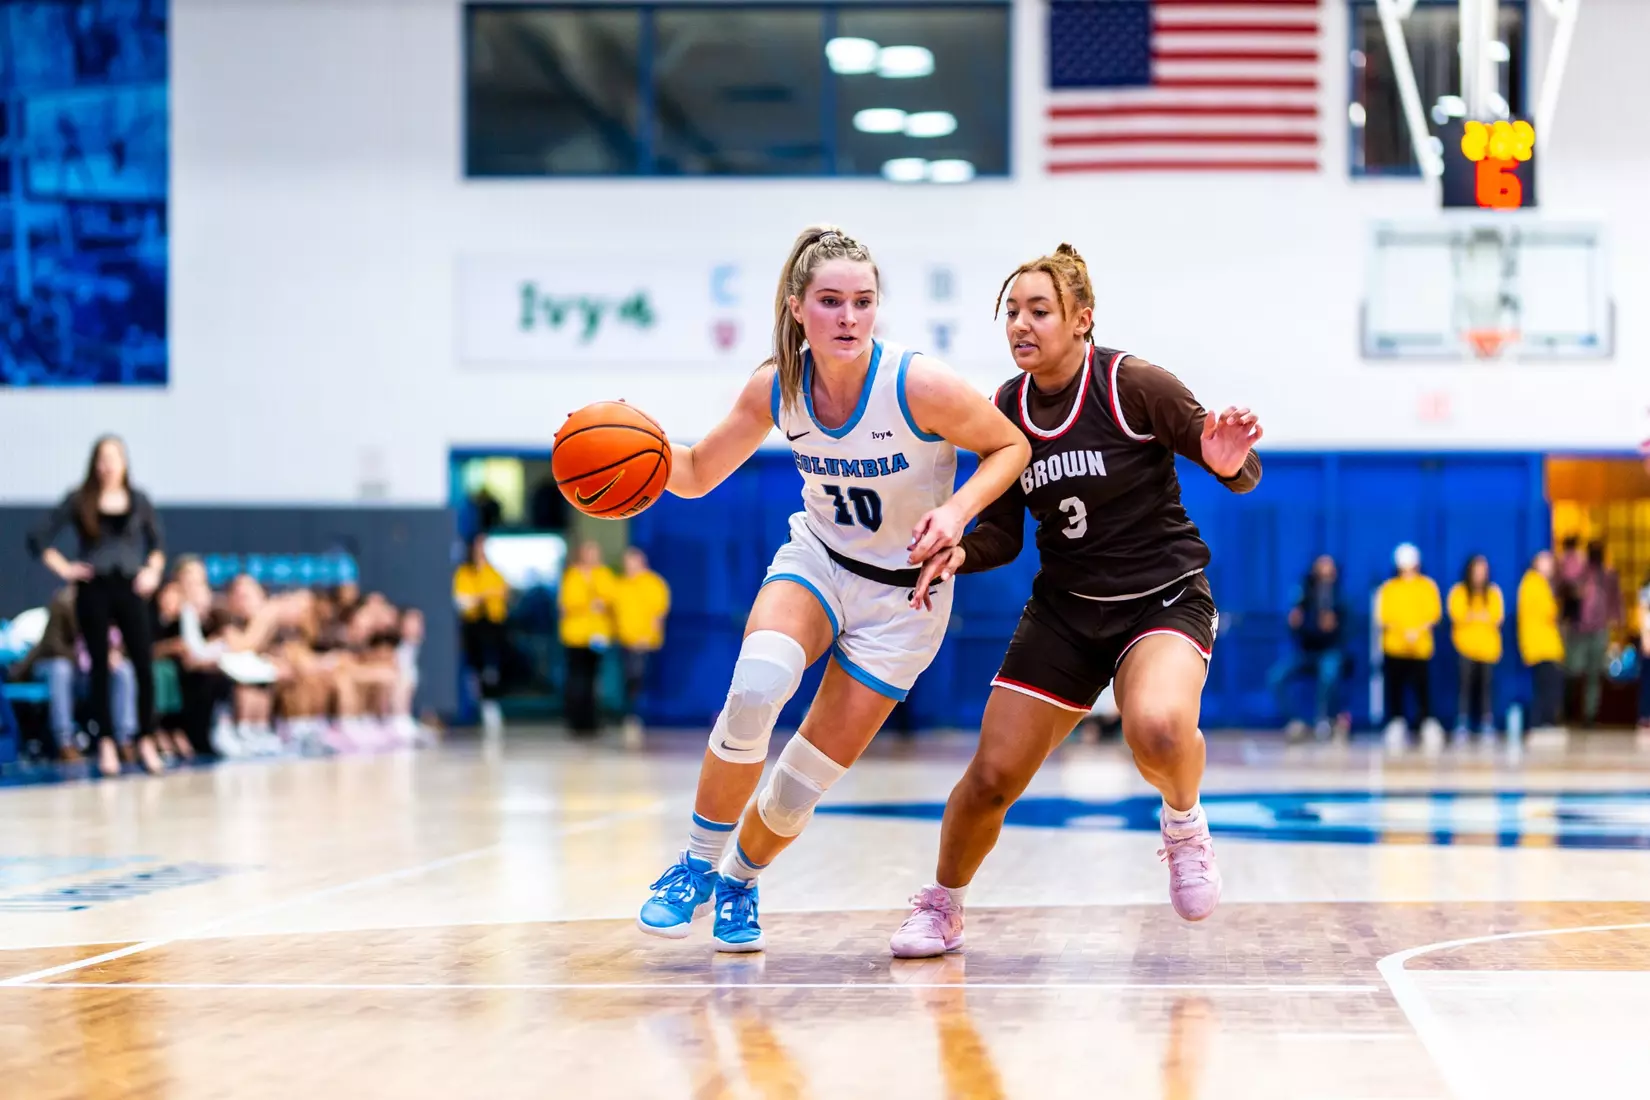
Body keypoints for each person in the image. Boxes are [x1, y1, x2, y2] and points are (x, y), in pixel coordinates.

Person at [635, 225, 1029, 952]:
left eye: (862, 301)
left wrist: (957, 510)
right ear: (796, 308)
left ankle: (739, 882)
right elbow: (693, 474)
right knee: (757, 685)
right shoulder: (777, 386)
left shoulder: (917, 383)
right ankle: (692, 864)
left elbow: (1012, 445)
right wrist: (639, 457)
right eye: (830, 301)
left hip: (903, 601)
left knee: (798, 781)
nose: (848, 317)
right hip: (819, 560)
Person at [885, 243, 1263, 958]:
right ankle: (942, 905)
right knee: (992, 776)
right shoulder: (1004, 408)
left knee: (1155, 727)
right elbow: (1000, 531)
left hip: (1162, 599)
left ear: (1081, 320)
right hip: (1066, 608)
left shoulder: (1133, 384)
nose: (1021, 325)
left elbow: (1236, 465)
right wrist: (959, 551)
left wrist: (1228, 462)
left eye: (1039, 311)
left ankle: (1183, 823)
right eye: (1012, 313)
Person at [26, 435, 166, 776]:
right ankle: (105, 741)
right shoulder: (80, 499)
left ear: (124, 462)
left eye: (114, 457)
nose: (108, 465)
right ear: (94, 463)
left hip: (130, 586)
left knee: (143, 665)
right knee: (99, 666)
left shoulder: (138, 500)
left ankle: (145, 737)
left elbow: (157, 545)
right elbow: (38, 538)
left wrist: (152, 571)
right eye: (102, 458)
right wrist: (65, 568)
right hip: (95, 587)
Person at [1267, 555, 1349, 742]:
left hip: (1329, 651)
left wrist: (1333, 628)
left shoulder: (1341, 598)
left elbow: (1346, 631)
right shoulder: (1303, 594)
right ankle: (1297, 722)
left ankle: (1324, 720)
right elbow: (1296, 627)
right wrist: (1297, 624)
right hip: (1306, 652)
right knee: (1276, 677)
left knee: (1329, 673)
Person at [1375, 543, 1443, 754]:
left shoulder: (1427, 586)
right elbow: (1383, 616)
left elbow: (1433, 614)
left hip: (1420, 648)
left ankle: (1426, 723)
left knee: (1422, 688)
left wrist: (1417, 631)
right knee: (1395, 688)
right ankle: (1396, 722)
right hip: (1395, 647)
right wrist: (1403, 631)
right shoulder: (1389, 588)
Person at [611, 547, 671, 746]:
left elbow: (658, 614)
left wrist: (647, 638)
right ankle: (630, 719)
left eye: (631, 562)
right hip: (625, 642)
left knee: (639, 681)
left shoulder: (653, 584)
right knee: (628, 682)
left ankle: (639, 720)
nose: (628, 566)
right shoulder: (621, 585)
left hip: (644, 643)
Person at [453, 532, 511, 736]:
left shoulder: (493, 572)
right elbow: (462, 600)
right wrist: (482, 596)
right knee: (475, 668)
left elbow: (503, 593)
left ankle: (492, 703)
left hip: (493, 625)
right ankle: (478, 705)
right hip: (474, 625)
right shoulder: (465, 573)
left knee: (492, 666)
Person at [559, 541, 615, 738]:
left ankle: (591, 721)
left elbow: (610, 598)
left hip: (596, 637)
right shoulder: (572, 575)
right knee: (576, 679)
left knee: (593, 680)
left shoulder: (603, 574)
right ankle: (575, 721)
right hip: (576, 637)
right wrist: (590, 603)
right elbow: (567, 604)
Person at [1563, 541, 1621, 728]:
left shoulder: (1609, 576)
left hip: (1599, 630)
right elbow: (1565, 584)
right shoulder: (1580, 572)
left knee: (1594, 674)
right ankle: (1567, 709)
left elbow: (1616, 601)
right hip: (1578, 629)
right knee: (1573, 669)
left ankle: (1589, 716)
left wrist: (1617, 625)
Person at [1448, 554, 1504, 744]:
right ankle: (1462, 722)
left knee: (1486, 688)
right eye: (1477, 569)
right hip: (1466, 648)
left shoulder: (1493, 592)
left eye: (1483, 570)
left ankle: (1486, 722)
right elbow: (1458, 615)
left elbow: (1496, 617)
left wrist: (1475, 616)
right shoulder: (1460, 591)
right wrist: (1479, 617)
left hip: (1488, 649)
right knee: (1464, 687)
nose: (1480, 574)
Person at [1517, 550, 1565, 734]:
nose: (1550, 565)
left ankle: (1545, 722)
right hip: (1541, 646)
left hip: (1545, 645)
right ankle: (1542, 724)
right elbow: (1548, 613)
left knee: (1547, 686)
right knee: (1547, 687)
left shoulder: (1540, 583)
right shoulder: (1533, 583)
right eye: (1546, 562)